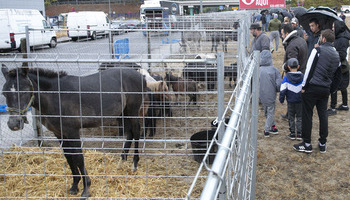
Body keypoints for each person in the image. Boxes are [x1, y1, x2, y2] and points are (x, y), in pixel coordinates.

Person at [293, 29, 340, 153]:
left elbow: (309, 69)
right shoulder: (336, 54)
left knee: (307, 114)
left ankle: (307, 143)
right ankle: (322, 142)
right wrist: (332, 89)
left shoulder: (317, 50)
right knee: (323, 114)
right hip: (325, 89)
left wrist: (304, 86)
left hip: (312, 87)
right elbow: (338, 75)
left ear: (323, 39)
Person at [328, 20, 350, 115]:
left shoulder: (342, 39)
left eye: (333, 27)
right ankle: (345, 104)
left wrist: (332, 52)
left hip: (341, 66)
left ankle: (333, 107)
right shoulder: (340, 37)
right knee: (342, 86)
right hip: (342, 66)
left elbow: (341, 54)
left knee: (335, 86)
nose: (332, 29)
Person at [259, 50, 282, 137]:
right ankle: (266, 129)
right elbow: (278, 84)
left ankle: (272, 126)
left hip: (261, 95)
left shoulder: (258, 70)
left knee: (266, 111)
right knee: (271, 112)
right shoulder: (274, 70)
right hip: (271, 95)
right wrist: (278, 90)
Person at [279, 58, 303, 140]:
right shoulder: (302, 76)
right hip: (300, 100)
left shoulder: (286, 77)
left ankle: (292, 133)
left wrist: (281, 99)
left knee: (291, 117)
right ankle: (299, 133)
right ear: (298, 66)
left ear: (288, 67)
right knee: (300, 116)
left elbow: (283, 90)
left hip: (290, 100)